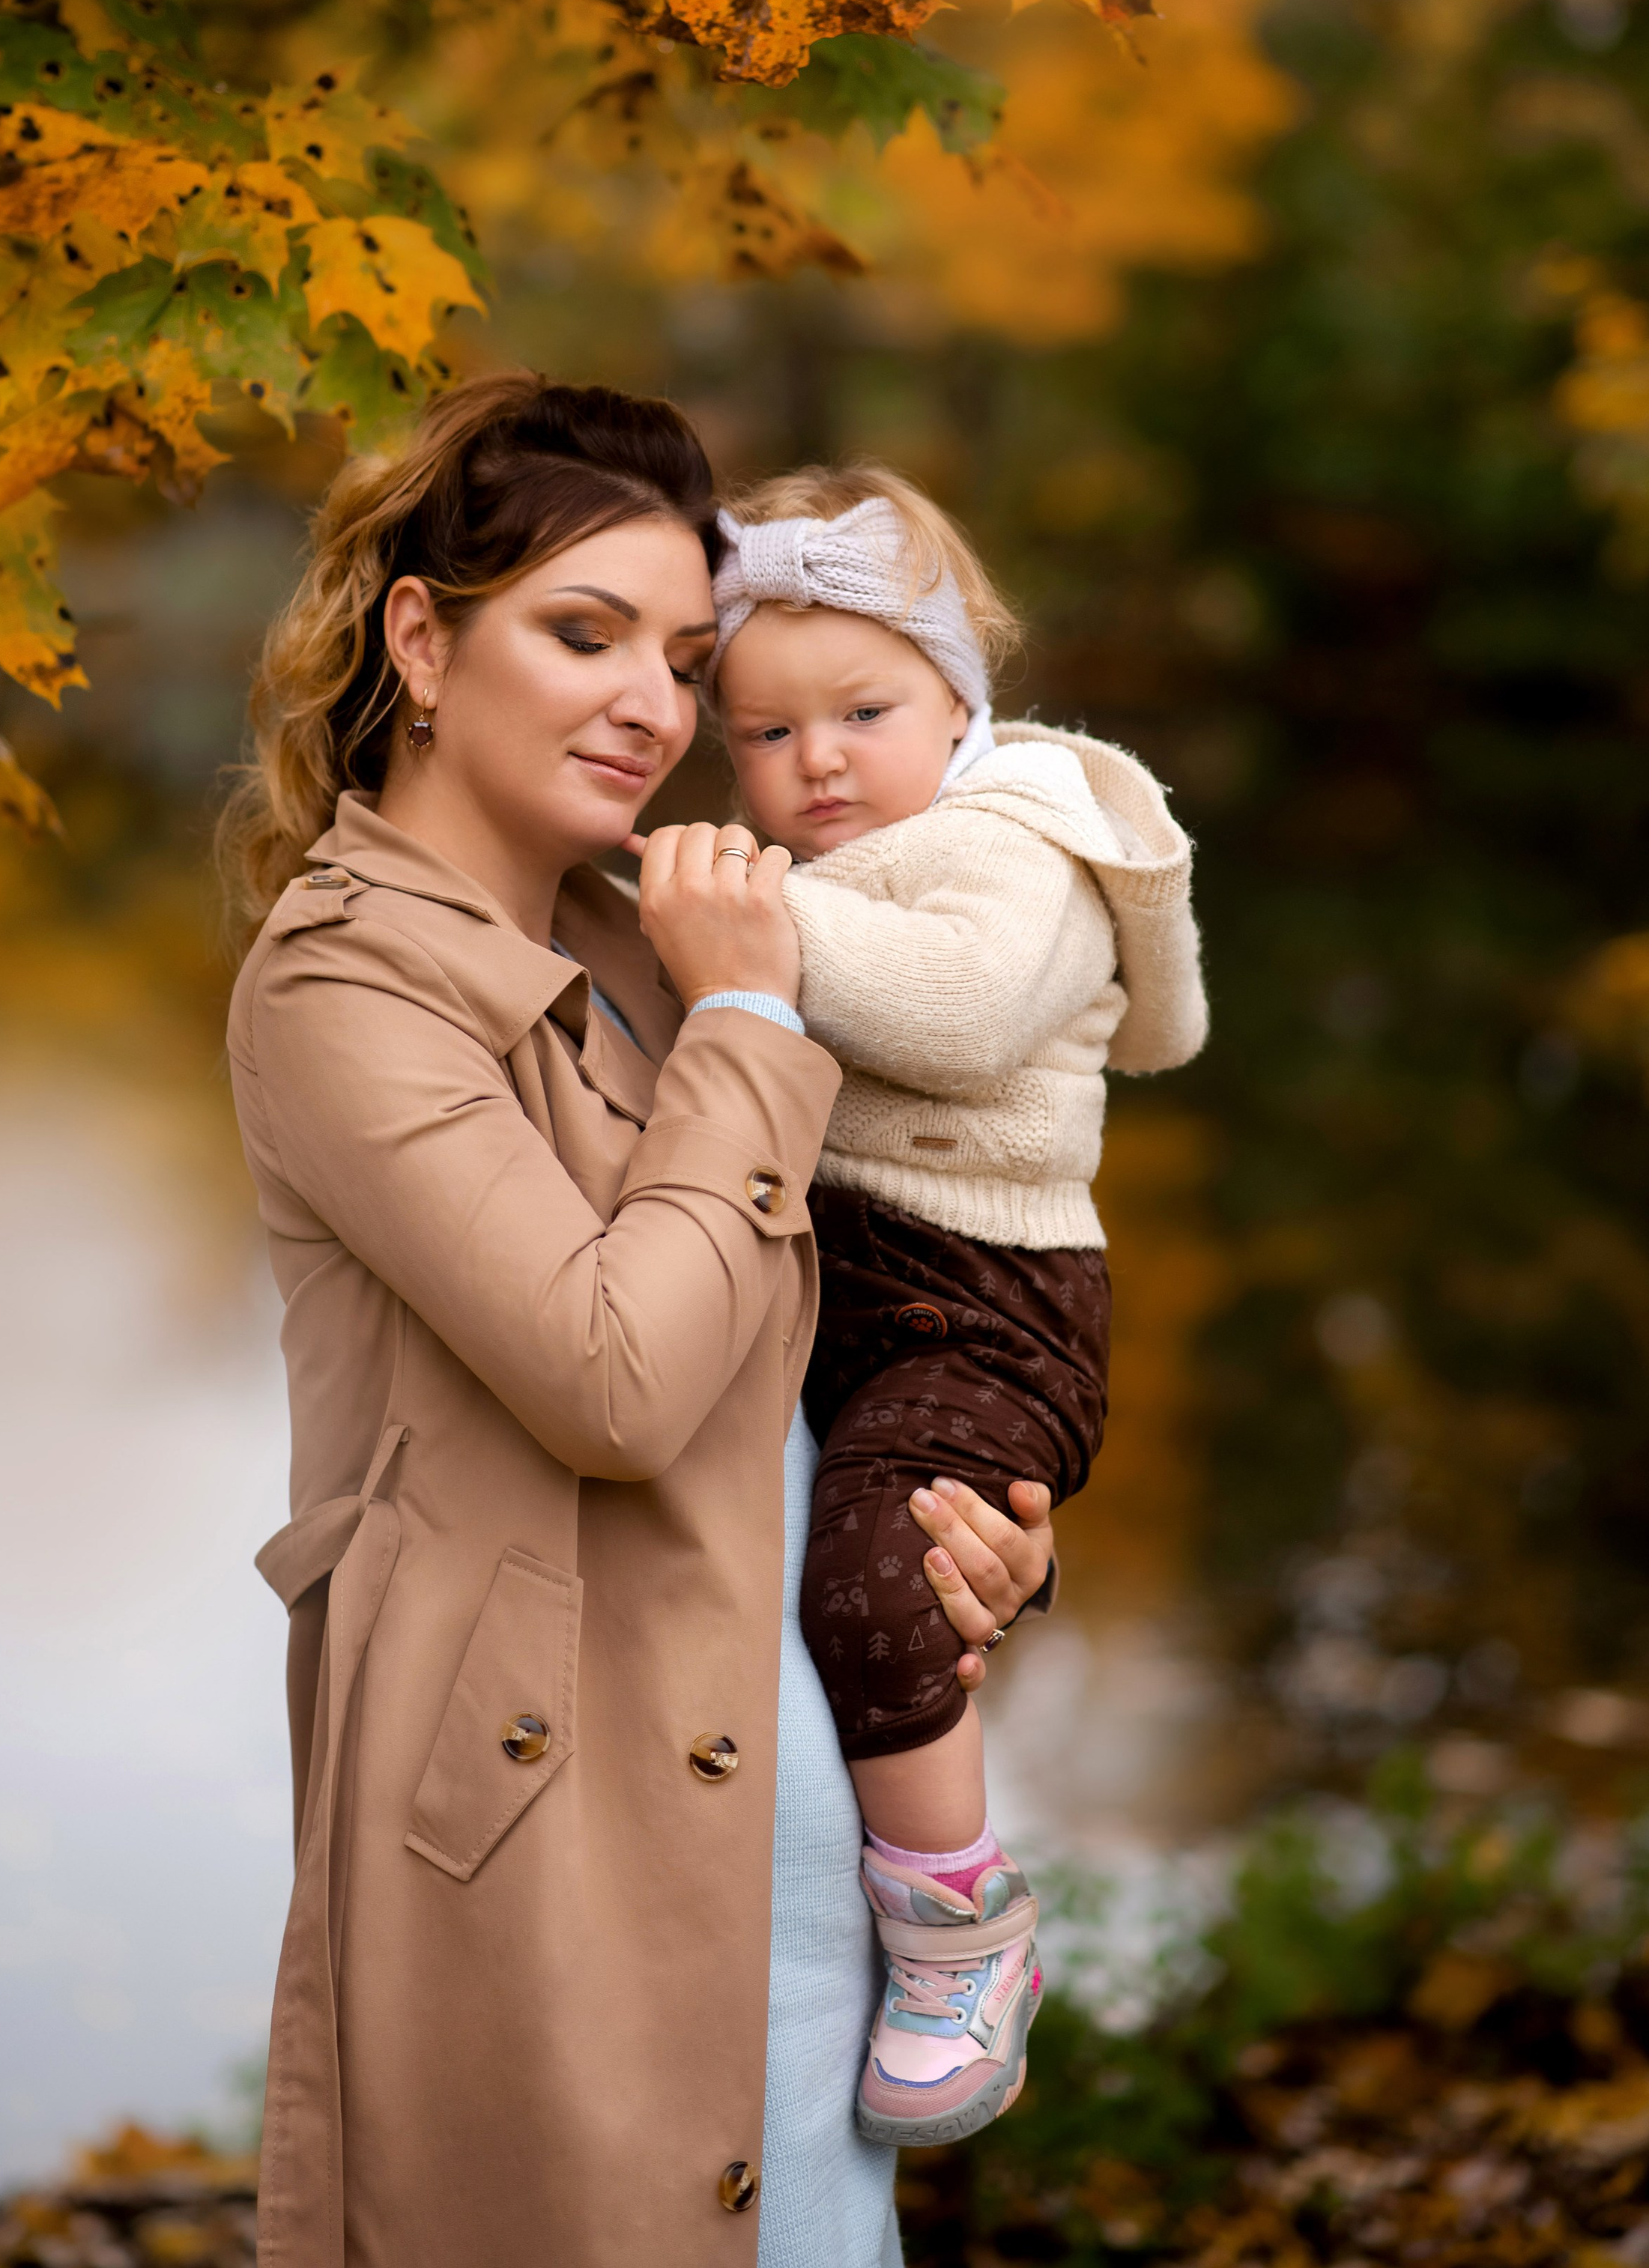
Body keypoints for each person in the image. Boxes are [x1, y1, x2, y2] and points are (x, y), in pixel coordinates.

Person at [218, 375, 1053, 2268]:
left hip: (794, 1797)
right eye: (579, 633)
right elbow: (616, 1375)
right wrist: (753, 1028)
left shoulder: (640, 932)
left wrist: (962, 1512)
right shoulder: (345, 984)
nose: (651, 709)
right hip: (553, 1849)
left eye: (681, 658)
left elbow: (821, 1336)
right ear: (420, 640)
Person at [707, 464, 1208, 2147]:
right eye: (765, 736)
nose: (816, 763)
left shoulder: (1021, 842)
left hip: (976, 1302)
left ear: (959, 698)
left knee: (878, 1562)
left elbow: (960, 1009)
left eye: (862, 709)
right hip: (830, 1280)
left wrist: (727, 935)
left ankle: (957, 1928)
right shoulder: (819, 866)